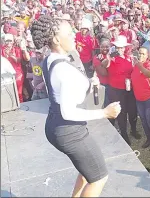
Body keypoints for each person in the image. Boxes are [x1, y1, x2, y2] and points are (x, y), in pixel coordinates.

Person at [30, 15, 121, 197]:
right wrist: (104, 112)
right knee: (99, 177)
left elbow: (62, 88)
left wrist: (87, 82)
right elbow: (68, 111)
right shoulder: (64, 70)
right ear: (56, 39)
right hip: (69, 132)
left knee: (87, 172)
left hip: (56, 125)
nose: (75, 36)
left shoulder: (51, 58)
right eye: (70, 33)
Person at [131, 47, 150, 148]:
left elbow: (148, 74)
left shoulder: (149, 65)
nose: (140, 56)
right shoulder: (136, 66)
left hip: (149, 98)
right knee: (144, 121)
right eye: (139, 54)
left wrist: (138, 65)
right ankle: (149, 139)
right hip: (139, 99)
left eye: (143, 54)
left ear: (147, 56)